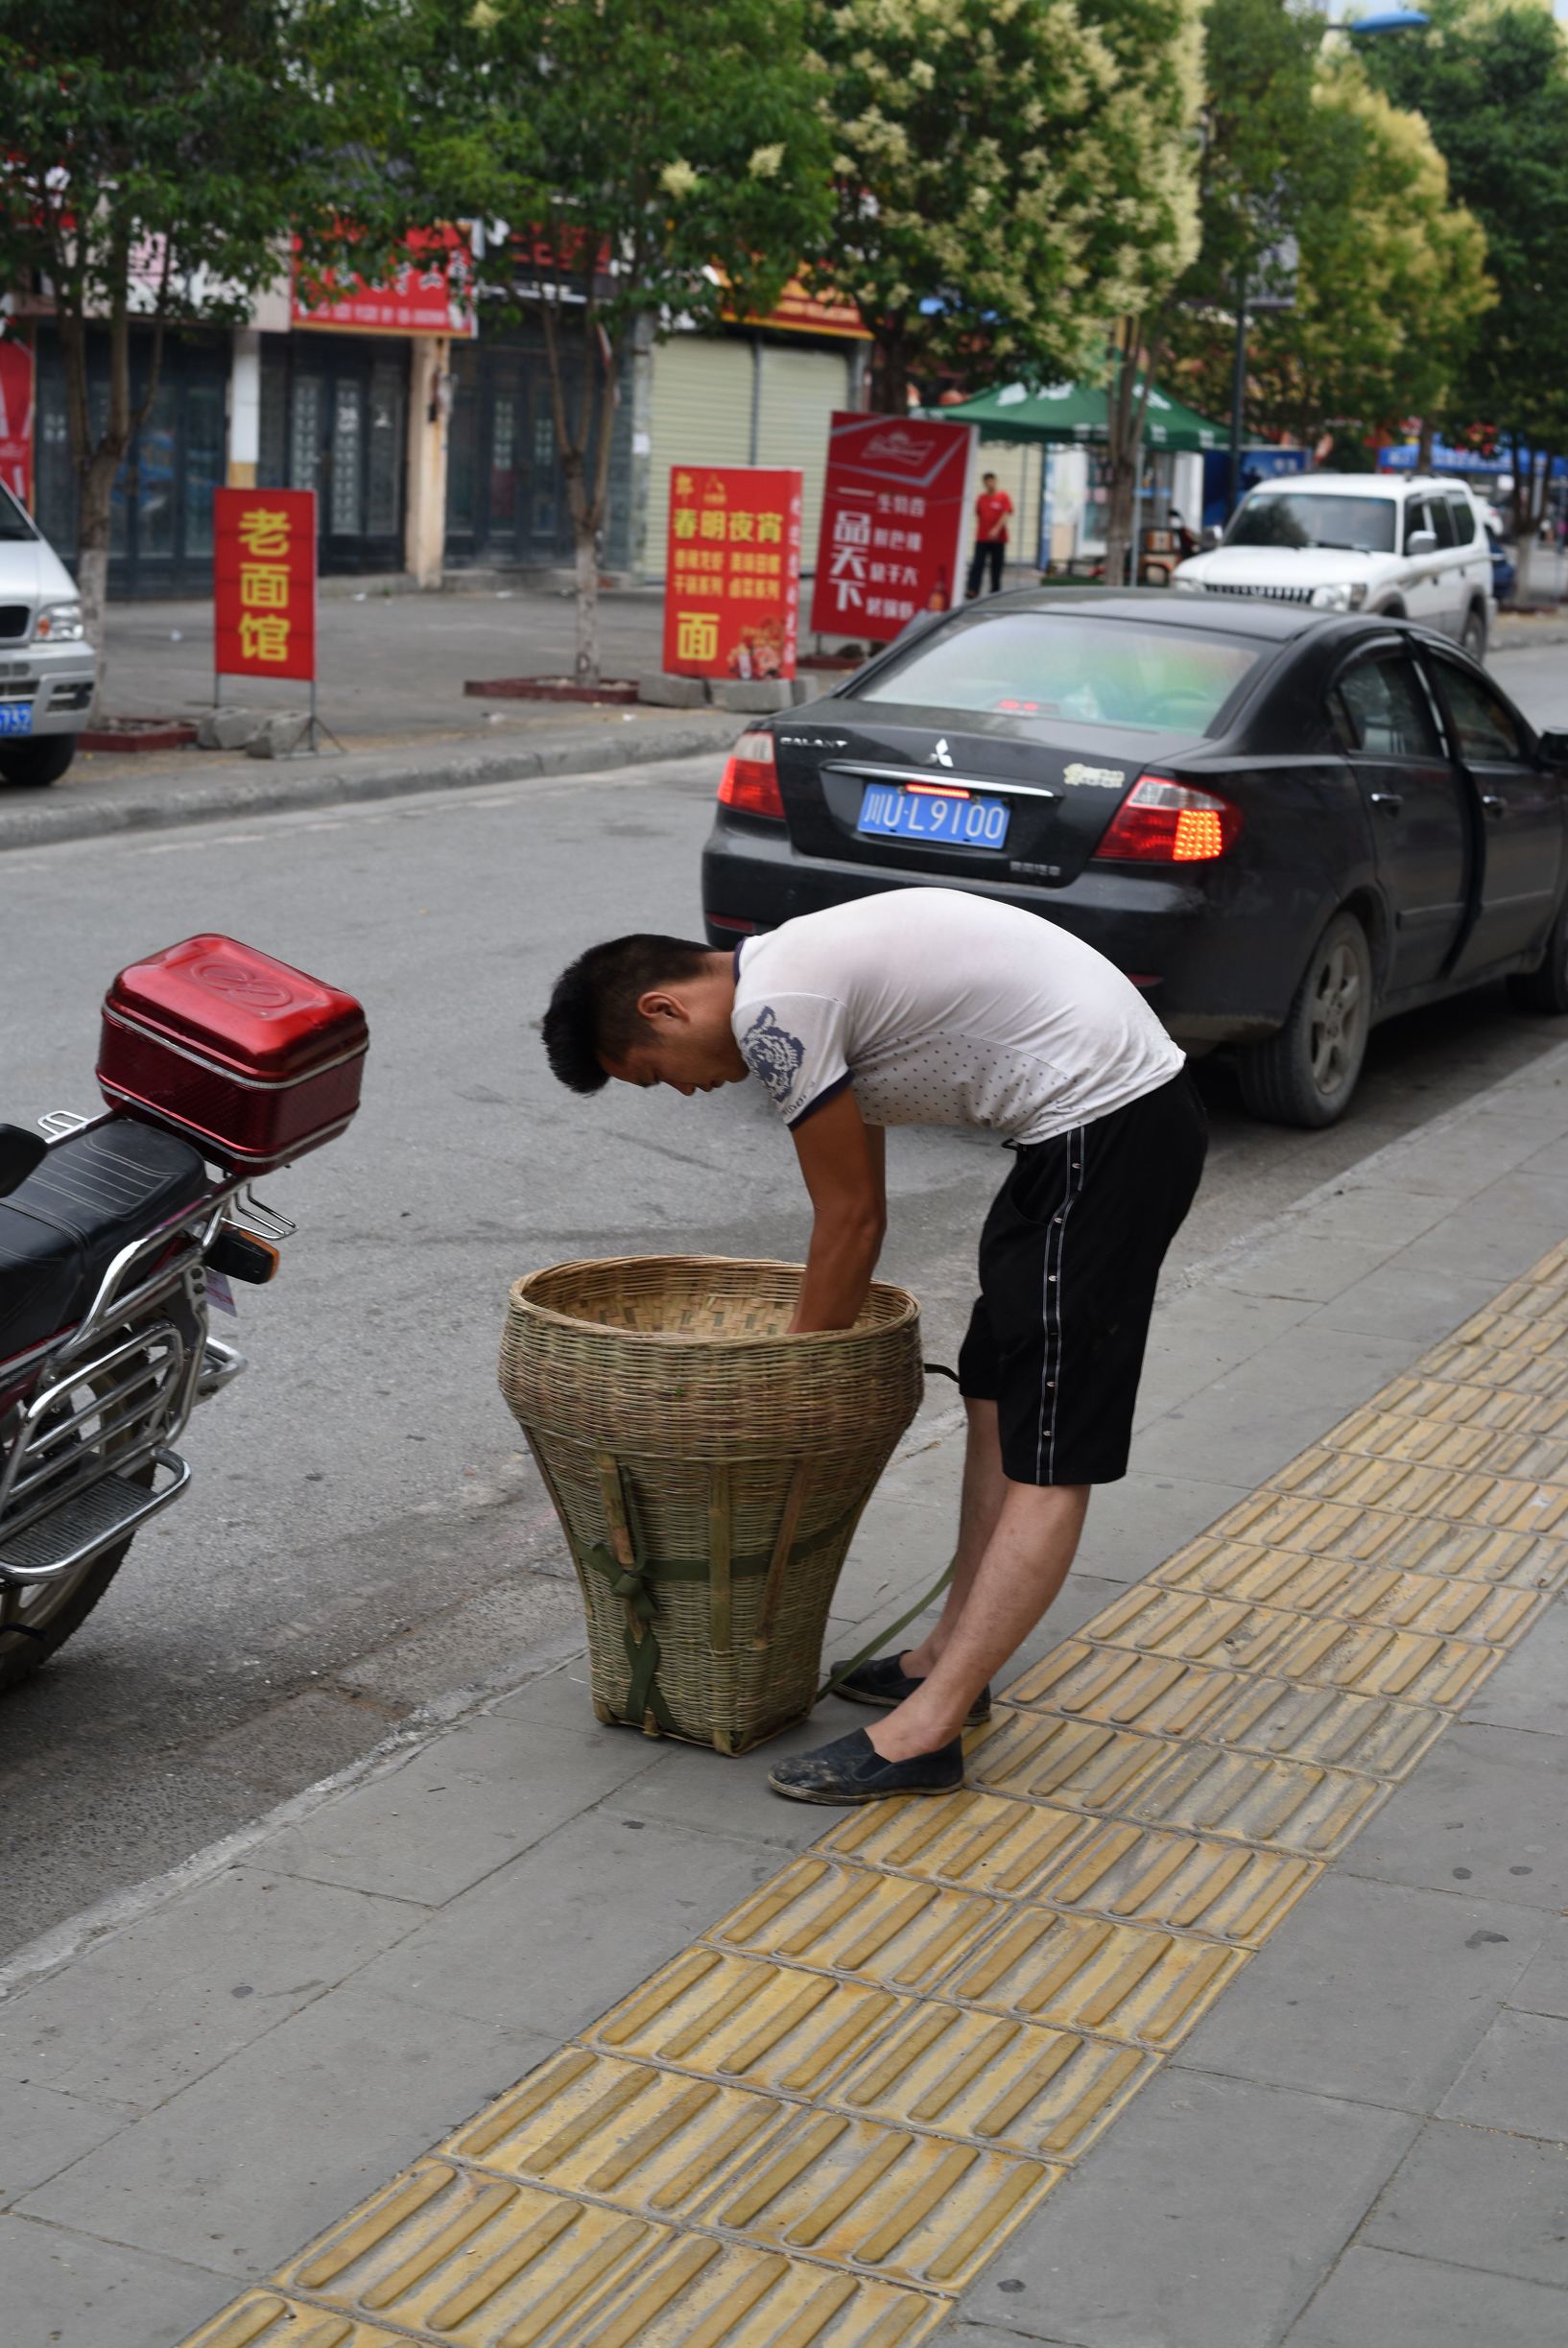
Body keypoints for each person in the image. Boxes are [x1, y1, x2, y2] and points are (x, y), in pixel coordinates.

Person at [541, 889, 1206, 1805]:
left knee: (1051, 1449)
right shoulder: (793, 975)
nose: (685, 1091)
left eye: (657, 1074)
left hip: (1108, 1132)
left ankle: (929, 1732)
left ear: (665, 1008)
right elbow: (860, 1201)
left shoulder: (779, 1009)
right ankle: (943, 1656)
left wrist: (785, 1388)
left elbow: (850, 1221)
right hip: (1069, 1139)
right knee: (994, 1392)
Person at [965, 472, 1013, 598]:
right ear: (984, 483)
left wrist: (997, 529)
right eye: (987, 481)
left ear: (995, 481)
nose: (990, 483)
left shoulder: (1003, 496)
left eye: (992, 481)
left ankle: (995, 590)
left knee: (996, 565)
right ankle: (973, 589)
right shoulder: (981, 498)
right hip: (982, 537)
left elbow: (1006, 513)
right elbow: (979, 514)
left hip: (998, 539)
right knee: (978, 563)